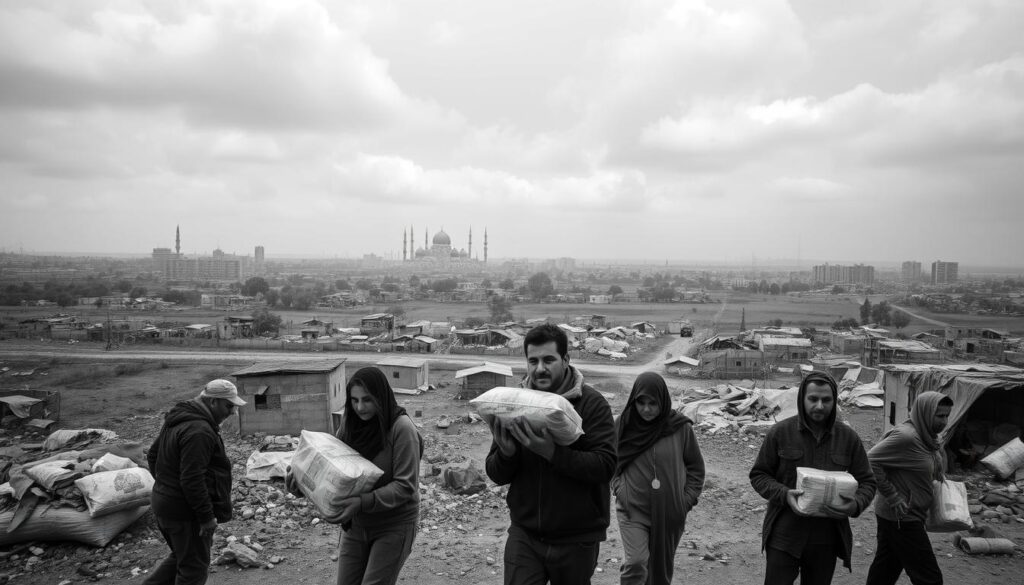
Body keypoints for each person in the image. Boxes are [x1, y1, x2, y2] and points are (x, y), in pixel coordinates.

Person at [485, 323, 617, 585]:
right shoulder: (516, 403)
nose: (539, 368)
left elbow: (605, 466)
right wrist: (507, 454)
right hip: (525, 534)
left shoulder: (592, 405)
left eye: (548, 360)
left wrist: (552, 453)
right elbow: (495, 473)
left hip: (576, 538)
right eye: (532, 361)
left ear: (566, 359)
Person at [288, 366, 423, 585]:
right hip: (356, 525)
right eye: (354, 400)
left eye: (368, 400)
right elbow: (335, 472)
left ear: (381, 397)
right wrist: (301, 485)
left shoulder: (402, 429)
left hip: (393, 525)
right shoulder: (349, 427)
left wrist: (361, 502)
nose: (360, 407)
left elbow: (405, 486)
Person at [749, 371, 877, 585]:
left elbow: (868, 482)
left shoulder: (848, 438)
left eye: (826, 400)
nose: (819, 406)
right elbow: (759, 475)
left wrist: (855, 505)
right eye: (813, 399)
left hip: (826, 539)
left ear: (834, 401)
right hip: (785, 534)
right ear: (802, 399)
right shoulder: (781, 432)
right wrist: (784, 494)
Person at [144, 379, 245, 585]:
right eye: (228, 406)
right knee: (194, 570)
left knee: (183, 557)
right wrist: (206, 517)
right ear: (213, 402)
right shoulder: (199, 430)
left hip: (166, 505)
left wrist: (166, 489)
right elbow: (192, 479)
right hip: (185, 514)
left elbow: (153, 455)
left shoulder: (179, 419)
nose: (232, 412)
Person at [613, 371, 705, 585]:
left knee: (660, 573)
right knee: (636, 563)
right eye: (641, 402)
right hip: (632, 509)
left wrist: (685, 501)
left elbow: (696, 468)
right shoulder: (624, 425)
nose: (646, 409)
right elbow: (610, 462)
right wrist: (619, 488)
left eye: (652, 403)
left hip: (670, 512)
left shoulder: (680, 428)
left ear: (662, 401)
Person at [865, 391, 953, 585]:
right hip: (903, 517)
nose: (944, 421)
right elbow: (870, 460)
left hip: (903, 515)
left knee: (886, 569)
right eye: (939, 416)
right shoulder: (907, 437)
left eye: (947, 415)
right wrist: (892, 496)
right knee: (929, 577)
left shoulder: (928, 438)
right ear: (924, 413)